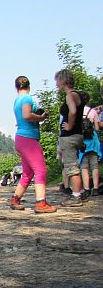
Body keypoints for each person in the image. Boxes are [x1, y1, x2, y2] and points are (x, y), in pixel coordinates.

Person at [9, 76, 57, 213]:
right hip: (28, 138)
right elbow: (27, 115)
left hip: (21, 138)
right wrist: (41, 117)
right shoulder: (27, 98)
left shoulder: (17, 100)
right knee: (41, 170)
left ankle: (15, 199)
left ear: (16, 87)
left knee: (28, 173)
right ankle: (41, 203)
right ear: (29, 86)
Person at [56, 69, 87, 207]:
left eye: (57, 80)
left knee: (71, 166)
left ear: (63, 81)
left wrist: (69, 125)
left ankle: (76, 196)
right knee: (75, 165)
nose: (56, 83)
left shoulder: (70, 95)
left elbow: (73, 111)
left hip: (70, 136)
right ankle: (79, 191)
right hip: (78, 134)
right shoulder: (78, 95)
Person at [79, 105, 101, 198]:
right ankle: (95, 188)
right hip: (93, 140)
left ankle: (86, 189)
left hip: (82, 141)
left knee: (84, 167)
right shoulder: (93, 111)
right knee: (94, 166)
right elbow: (97, 128)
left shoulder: (76, 111)